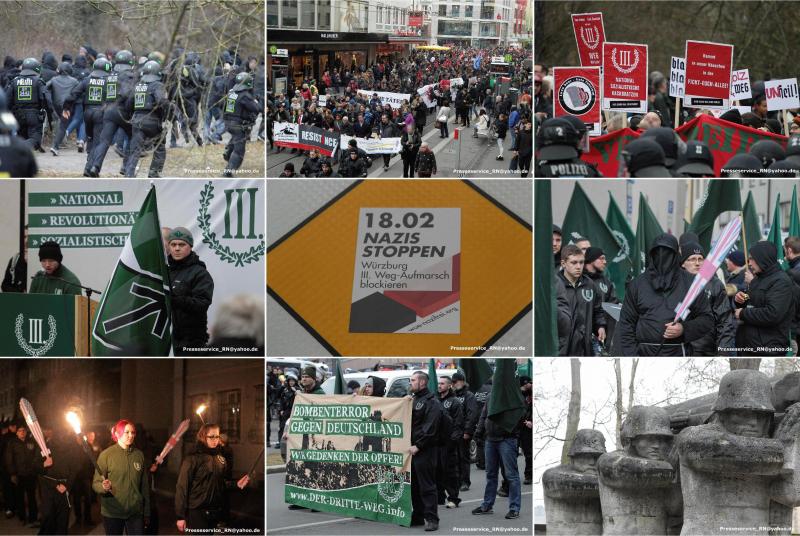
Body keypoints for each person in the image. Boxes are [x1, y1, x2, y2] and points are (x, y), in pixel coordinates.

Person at [617, 233, 713, 356]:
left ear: (676, 255)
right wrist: (632, 356)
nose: (662, 257)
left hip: (679, 354)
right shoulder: (637, 284)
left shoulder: (691, 283)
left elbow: (707, 319)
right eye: (658, 253)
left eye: (668, 253)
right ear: (652, 255)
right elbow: (626, 323)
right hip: (643, 355)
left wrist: (684, 329)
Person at [175, 423, 249, 533]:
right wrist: (180, 516)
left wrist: (236, 484)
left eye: (217, 436)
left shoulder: (220, 459)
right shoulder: (192, 459)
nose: (215, 440)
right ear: (203, 437)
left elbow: (221, 483)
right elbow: (182, 487)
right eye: (211, 436)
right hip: (197, 512)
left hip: (214, 511)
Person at [734, 241, 793, 355]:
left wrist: (742, 313)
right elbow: (754, 301)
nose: (749, 263)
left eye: (752, 259)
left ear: (763, 258)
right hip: (749, 345)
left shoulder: (781, 281)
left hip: (768, 348)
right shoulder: (757, 279)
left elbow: (772, 314)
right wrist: (741, 299)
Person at [679, 240, 736, 356]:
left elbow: (725, 322)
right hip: (679, 349)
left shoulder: (715, 284)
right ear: (683, 263)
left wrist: (723, 353)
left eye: (700, 259)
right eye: (692, 259)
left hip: (707, 350)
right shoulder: (674, 284)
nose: (697, 263)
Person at [93, 420, 150, 535]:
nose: (130, 435)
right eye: (126, 432)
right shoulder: (106, 455)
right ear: (117, 434)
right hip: (113, 512)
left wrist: (147, 511)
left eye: (133, 432)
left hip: (135, 512)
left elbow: (144, 485)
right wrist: (103, 487)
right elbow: (96, 483)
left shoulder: (139, 455)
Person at [472, 390, 522, 520]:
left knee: (511, 475)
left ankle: (514, 508)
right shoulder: (490, 396)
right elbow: (484, 415)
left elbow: (520, 415)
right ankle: (487, 505)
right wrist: (478, 432)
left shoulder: (513, 395)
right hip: (491, 439)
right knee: (491, 474)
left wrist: (511, 430)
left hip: (507, 439)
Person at [86, 50, 137, 176]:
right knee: (133, 136)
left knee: (104, 141)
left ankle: (95, 167)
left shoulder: (110, 74)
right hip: (123, 111)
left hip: (108, 111)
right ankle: (125, 167)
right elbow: (127, 94)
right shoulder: (129, 75)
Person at [62, 57, 112, 176]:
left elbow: (73, 94)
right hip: (101, 113)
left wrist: (66, 108)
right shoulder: (109, 81)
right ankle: (90, 168)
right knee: (98, 142)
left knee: (90, 139)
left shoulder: (86, 80)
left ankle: (88, 166)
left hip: (87, 114)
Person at [167, 227, 213, 354]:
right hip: (165, 339)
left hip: (190, 342)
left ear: (190, 246)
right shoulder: (164, 271)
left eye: (182, 244)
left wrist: (175, 300)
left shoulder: (200, 273)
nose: (177, 248)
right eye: (173, 244)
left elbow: (202, 304)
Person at [124, 60, 172, 177]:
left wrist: (133, 116)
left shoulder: (137, 86)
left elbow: (128, 104)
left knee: (135, 150)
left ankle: (129, 175)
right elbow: (161, 101)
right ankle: (153, 172)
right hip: (153, 121)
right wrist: (168, 113)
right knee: (159, 148)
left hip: (137, 121)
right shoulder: (158, 85)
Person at [557, 245, 606, 356]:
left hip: (585, 345)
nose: (579, 266)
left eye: (581, 262)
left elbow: (597, 309)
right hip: (562, 347)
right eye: (574, 263)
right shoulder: (555, 286)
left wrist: (600, 326)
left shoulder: (589, 284)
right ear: (563, 263)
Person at [409, 371, 442, 531]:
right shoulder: (413, 399)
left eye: (413, 380)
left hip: (425, 450)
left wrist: (419, 445)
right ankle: (418, 516)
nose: (411, 383)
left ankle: (432, 519)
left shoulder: (432, 402)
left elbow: (431, 428)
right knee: (414, 485)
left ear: (422, 382)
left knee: (427, 486)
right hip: (412, 449)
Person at [4, 57, 53, 153]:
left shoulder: (14, 81)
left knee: (21, 138)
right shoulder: (39, 81)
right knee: (35, 140)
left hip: (17, 116)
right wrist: (50, 115)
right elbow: (47, 100)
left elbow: (7, 101)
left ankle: (19, 164)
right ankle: (17, 148)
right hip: (34, 116)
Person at [223, 72, 262, 177]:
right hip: (238, 125)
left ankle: (228, 150)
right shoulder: (244, 95)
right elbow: (257, 108)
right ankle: (228, 171)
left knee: (235, 138)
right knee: (239, 151)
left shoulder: (231, 92)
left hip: (228, 123)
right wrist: (257, 100)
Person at [437, 376, 464, 509]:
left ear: (449, 386)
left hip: (449, 443)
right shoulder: (435, 400)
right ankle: (439, 497)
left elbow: (458, 424)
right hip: (435, 442)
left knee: (450, 472)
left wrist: (452, 442)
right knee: (436, 471)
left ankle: (453, 498)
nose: (439, 386)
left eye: (442, 383)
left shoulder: (455, 402)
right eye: (438, 383)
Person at [4, 423, 37, 527]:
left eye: (23, 430)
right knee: (20, 497)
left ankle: (33, 518)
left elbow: (36, 456)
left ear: (26, 432)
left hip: (31, 474)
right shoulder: (12, 443)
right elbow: (9, 460)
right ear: (17, 433)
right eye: (19, 431)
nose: (22, 432)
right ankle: (22, 517)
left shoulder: (31, 442)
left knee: (32, 497)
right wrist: (13, 474)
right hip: (19, 475)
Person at [451, 372, 477, 493]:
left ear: (462, 381)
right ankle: (456, 481)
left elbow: (471, 415)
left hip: (463, 432)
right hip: (452, 432)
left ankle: (465, 482)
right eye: (452, 382)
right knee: (454, 458)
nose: (454, 384)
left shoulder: (469, 396)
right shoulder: (452, 395)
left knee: (463, 458)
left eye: (455, 382)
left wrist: (467, 431)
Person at [2, 225, 27, 292]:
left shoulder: (43, 261)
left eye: (30, 237)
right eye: (24, 237)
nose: (26, 241)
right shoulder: (15, 259)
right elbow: (4, 285)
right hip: (19, 301)